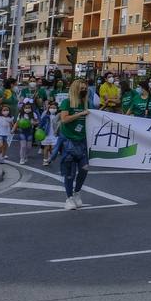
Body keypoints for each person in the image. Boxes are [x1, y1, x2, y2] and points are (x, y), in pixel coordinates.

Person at [55, 79, 92, 209]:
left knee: (84, 169)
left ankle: (77, 192)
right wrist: (81, 114)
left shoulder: (86, 103)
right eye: (81, 88)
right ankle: (69, 198)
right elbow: (64, 119)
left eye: (85, 88)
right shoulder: (67, 102)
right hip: (69, 142)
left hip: (82, 141)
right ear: (75, 89)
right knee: (70, 172)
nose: (84, 90)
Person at [14, 99, 37, 164]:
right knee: (23, 146)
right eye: (26, 108)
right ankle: (22, 158)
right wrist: (13, 129)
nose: (27, 109)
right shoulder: (21, 114)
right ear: (23, 108)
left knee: (29, 147)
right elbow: (17, 122)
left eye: (29, 107)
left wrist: (33, 123)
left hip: (30, 132)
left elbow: (37, 122)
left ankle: (26, 156)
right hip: (22, 132)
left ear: (31, 108)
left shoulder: (33, 114)